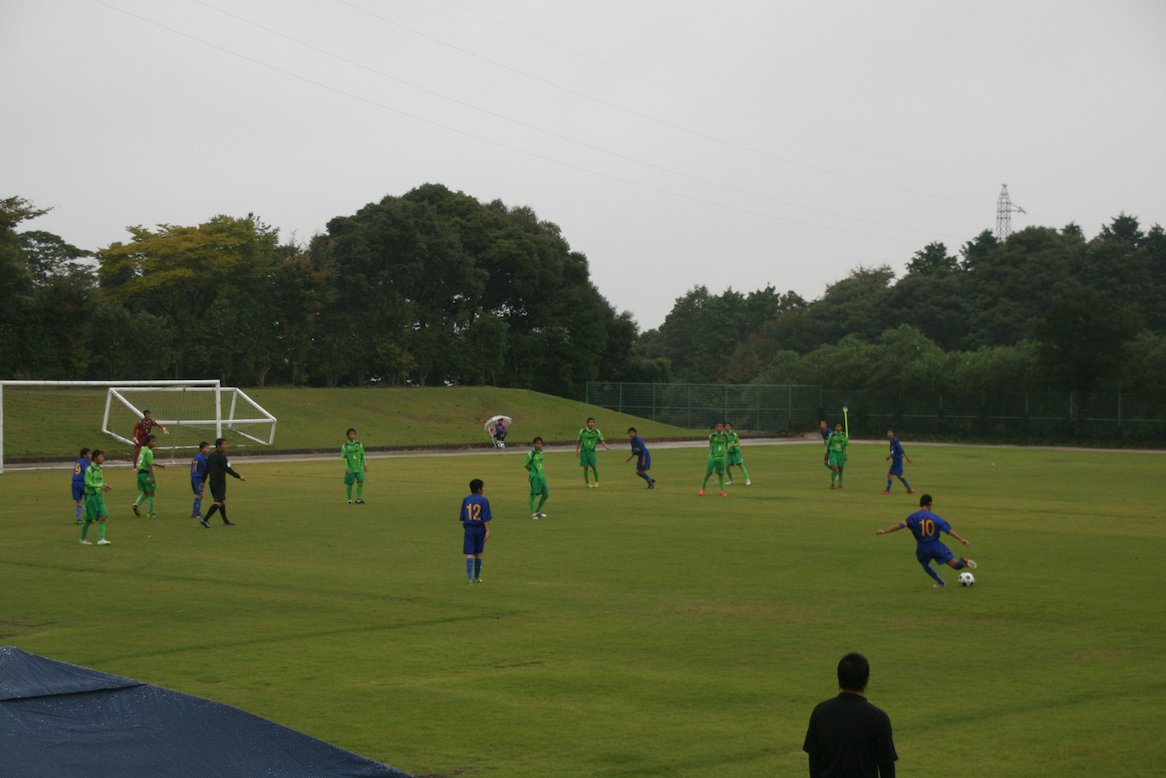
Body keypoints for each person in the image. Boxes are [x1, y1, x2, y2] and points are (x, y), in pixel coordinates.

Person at [803, 652, 898, 778]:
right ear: (866, 680)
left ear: (839, 677)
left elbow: (814, 763)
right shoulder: (879, 719)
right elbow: (887, 769)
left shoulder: (820, 713)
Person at [876, 493, 977, 588]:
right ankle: (963, 561)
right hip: (936, 545)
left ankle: (941, 582)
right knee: (955, 565)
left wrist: (885, 531)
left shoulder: (914, 517)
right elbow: (948, 530)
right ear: (930, 503)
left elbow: (901, 525)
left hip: (923, 547)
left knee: (925, 566)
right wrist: (961, 539)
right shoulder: (935, 517)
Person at [200, 437, 245, 527]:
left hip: (212, 482)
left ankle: (226, 521)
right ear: (218, 446)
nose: (226, 446)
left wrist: (203, 481)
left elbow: (206, 470)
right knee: (219, 502)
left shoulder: (211, 456)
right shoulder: (222, 457)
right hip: (219, 482)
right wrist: (239, 476)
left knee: (222, 501)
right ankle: (205, 519)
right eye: (224, 444)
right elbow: (228, 469)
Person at [459, 478, 492, 584]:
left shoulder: (466, 500)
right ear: (479, 489)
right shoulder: (484, 500)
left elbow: (463, 517)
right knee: (478, 553)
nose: (483, 489)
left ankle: (469, 579)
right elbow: (485, 518)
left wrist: (467, 528)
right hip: (480, 528)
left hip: (469, 528)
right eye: (482, 488)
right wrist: (487, 531)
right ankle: (476, 578)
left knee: (469, 553)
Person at [80, 449, 113, 546]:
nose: (103, 459)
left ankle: (101, 539)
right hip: (91, 498)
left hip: (99, 497)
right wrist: (99, 486)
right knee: (89, 520)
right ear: (95, 458)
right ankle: (82, 539)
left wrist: (105, 485)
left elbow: (99, 482)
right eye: (101, 457)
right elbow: (88, 483)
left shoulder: (99, 469)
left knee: (103, 516)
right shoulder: (89, 470)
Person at [132, 434, 165, 518]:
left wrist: (158, 465)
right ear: (148, 442)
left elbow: (146, 461)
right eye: (153, 441)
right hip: (146, 474)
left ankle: (136, 504)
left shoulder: (143, 449)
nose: (155, 443)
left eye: (155, 441)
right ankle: (150, 513)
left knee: (146, 493)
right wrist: (150, 477)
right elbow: (150, 466)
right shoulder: (149, 452)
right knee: (151, 494)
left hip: (140, 474)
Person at [576, 417, 612, 487]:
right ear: (587, 423)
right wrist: (577, 451)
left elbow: (601, 440)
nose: (591, 423)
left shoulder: (596, 431)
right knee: (585, 467)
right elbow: (578, 441)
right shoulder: (582, 431)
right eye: (590, 422)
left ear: (594, 423)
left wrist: (606, 447)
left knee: (594, 466)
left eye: (592, 422)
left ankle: (596, 482)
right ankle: (587, 483)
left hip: (591, 452)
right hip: (584, 452)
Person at [698, 422, 729, 496]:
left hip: (720, 457)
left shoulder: (725, 436)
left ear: (722, 428)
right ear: (715, 428)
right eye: (718, 427)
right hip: (712, 457)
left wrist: (723, 451)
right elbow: (711, 445)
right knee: (708, 473)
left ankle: (722, 491)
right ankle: (702, 490)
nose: (719, 428)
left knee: (721, 474)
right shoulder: (712, 436)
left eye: (720, 427)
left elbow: (727, 445)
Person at [523, 436, 549, 520]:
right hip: (534, 477)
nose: (540, 445)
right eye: (538, 443)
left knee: (546, 494)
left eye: (541, 444)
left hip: (542, 477)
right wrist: (533, 472)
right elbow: (525, 464)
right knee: (533, 495)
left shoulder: (541, 452)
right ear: (534, 444)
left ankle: (538, 512)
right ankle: (532, 514)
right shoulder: (531, 453)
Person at [882, 430, 913, 495]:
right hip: (899, 460)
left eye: (889, 436)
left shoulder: (893, 442)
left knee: (889, 475)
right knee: (899, 476)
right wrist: (907, 458)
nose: (889, 437)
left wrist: (889, 457)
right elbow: (901, 449)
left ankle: (887, 491)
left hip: (896, 460)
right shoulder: (896, 440)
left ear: (891, 436)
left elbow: (893, 451)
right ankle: (909, 489)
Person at [342, 427, 367, 504]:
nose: (352, 435)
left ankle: (358, 499)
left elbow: (362, 455)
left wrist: (365, 464)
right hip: (350, 468)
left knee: (361, 482)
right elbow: (344, 458)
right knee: (350, 484)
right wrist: (346, 468)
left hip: (359, 468)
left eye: (354, 434)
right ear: (347, 436)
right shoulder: (345, 445)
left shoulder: (359, 444)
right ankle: (349, 499)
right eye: (351, 434)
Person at [724, 421, 752, 486]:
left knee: (740, 465)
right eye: (726, 426)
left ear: (730, 427)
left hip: (735, 453)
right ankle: (731, 480)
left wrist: (733, 445)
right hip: (729, 453)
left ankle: (748, 479)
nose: (727, 427)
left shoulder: (733, 434)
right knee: (727, 467)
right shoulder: (724, 435)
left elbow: (738, 442)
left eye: (728, 426)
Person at [71, 447, 93, 524]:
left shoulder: (78, 461)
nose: (91, 455)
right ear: (84, 455)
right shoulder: (87, 462)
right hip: (82, 483)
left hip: (74, 483)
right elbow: (88, 472)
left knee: (79, 502)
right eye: (89, 454)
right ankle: (89, 517)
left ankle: (78, 518)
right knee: (88, 500)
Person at [189, 441, 210, 519]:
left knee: (200, 495)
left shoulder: (197, 456)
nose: (208, 450)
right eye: (206, 448)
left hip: (194, 477)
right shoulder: (202, 458)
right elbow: (207, 468)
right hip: (198, 478)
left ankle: (197, 511)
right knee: (199, 495)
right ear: (202, 449)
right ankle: (195, 513)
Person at [825, 422, 848, 489]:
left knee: (841, 469)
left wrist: (846, 454)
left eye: (839, 426)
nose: (838, 428)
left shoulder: (844, 435)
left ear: (841, 428)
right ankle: (832, 483)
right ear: (835, 428)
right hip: (833, 453)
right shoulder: (832, 435)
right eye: (837, 426)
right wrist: (826, 454)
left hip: (840, 453)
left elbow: (845, 446)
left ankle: (840, 484)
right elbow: (828, 445)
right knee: (834, 468)